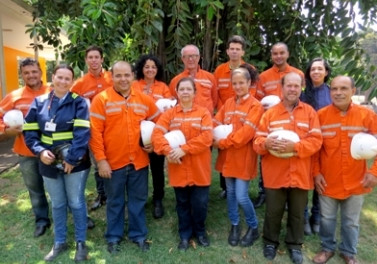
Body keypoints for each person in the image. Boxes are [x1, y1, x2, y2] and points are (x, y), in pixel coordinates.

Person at [90, 61, 160, 253]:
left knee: (138, 200)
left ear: (132, 76)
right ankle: (114, 237)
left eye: (126, 75)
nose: (123, 79)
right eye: (118, 75)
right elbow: (95, 133)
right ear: (111, 77)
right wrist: (101, 160)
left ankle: (138, 235)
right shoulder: (101, 99)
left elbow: (160, 121)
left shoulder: (143, 99)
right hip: (113, 163)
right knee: (115, 201)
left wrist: (153, 142)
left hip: (138, 161)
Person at [23, 64, 91, 262]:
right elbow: (30, 133)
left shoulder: (79, 103)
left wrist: (71, 159)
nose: (63, 81)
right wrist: (40, 151)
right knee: (58, 203)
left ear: (72, 81)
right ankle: (59, 242)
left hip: (75, 161)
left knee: (76, 202)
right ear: (53, 77)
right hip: (47, 161)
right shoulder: (39, 102)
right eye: (59, 77)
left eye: (67, 79)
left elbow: (82, 134)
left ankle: (81, 243)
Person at [253, 72, 322, 264]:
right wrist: (266, 144)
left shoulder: (309, 112)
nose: (292, 89)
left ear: (300, 87)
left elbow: (316, 141)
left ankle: (294, 245)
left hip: (300, 173)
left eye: (296, 86)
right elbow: (257, 141)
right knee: (273, 211)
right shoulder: (269, 114)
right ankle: (269, 242)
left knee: (298, 212)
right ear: (281, 88)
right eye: (288, 85)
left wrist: (296, 147)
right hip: (275, 173)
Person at [312, 76, 377, 264]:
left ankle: (349, 252)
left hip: (356, 180)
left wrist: (374, 173)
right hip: (328, 180)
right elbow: (316, 148)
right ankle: (327, 248)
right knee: (327, 218)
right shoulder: (321, 116)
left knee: (351, 221)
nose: (338, 92)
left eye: (343, 88)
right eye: (334, 89)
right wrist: (316, 173)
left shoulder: (367, 116)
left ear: (353, 91)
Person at [152, 77, 213, 251]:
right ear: (177, 93)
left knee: (200, 203)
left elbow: (207, 138)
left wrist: (185, 149)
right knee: (182, 202)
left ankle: (200, 232)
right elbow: (157, 134)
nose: (185, 92)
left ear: (194, 92)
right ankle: (184, 235)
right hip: (178, 166)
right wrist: (167, 150)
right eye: (182, 89)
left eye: (189, 89)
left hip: (199, 167)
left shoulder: (203, 113)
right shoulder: (169, 114)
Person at [213, 65, 264, 247]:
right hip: (228, 158)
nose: (238, 86)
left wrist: (222, 142)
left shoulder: (256, 106)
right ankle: (235, 225)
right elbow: (217, 121)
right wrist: (213, 131)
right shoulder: (228, 103)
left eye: (241, 82)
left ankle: (253, 226)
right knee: (231, 194)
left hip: (243, 157)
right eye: (235, 83)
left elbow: (246, 134)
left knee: (242, 196)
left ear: (249, 83)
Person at [0, 58, 51, 237]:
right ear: (22, 75)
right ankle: (42, 221)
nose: (31, 75)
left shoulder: (53, 92)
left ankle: (76, 216)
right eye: (26, 73)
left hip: (53, 151)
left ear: (41, 73)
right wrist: (6, 129)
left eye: (34, 72)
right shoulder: (14, 97)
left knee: (62, 188)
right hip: (26, 152)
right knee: (35, 189)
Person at [253, 42, 305, 208]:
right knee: (268, 154)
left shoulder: (297, 73)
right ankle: (264, 191)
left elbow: (300, 98)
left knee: (291, 154)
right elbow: (258, 100)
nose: (278, 56)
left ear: (287, 54)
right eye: (275, 53)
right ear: (271, 56)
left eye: (282, 53)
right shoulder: (264, 76)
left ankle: (291, 193)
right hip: (271, 120)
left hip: (293, 121)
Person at [71, 45, 113, 211]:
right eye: (91, 57)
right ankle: (102, 194)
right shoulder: (79, 84)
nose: (94, 60)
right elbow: (72, 105)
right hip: (93, 130)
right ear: (86, 60)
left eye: (97, 57)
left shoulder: (111, 78)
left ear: (102, 59)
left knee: (115, 161)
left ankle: (115, 193)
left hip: (113, 127)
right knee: (98, 163)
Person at [213, 35, 255, 199]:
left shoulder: (250, 69)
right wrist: (224, 113)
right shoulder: (219, 70)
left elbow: (253, 92)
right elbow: (216, 94)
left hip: (244, 117)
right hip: (226, 115)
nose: (235, 52)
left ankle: (240, 187)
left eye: (238, 49)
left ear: (242, 51)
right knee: (224, 154)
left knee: (240, 152)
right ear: (227, 51)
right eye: (232, 49)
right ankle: (226, 187)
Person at [132, 54, 172, 219]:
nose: (150, 70)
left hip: (157, 132)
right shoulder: (134, 86)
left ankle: (158, 199)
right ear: (142, 68)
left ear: (158, 70)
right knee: (138, 169)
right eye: (147, 66)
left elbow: (169, 111)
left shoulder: (163, 87)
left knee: (157, 168)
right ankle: (139, 199)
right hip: (136, 132)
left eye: (153, 67)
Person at [300, 58, 331, 236]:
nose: (316, 72)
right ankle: (304, 216)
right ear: (309, 73)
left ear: (326, 72)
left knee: (321, 181)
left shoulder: (331, 92)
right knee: (305, 179)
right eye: (313, 69)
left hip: (326, 143)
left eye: (320, 69)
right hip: (307, 141)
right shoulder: (303, 94)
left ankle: (316, 216)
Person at [169, 44, 217, 116]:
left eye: (193, 56)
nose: (190, 59)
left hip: (206, 120)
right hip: (183, 120)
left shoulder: (209, 77)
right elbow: (172, 103)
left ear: (198, 57)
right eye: (187, 56)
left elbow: (215, 100)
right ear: (182, 59)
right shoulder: (176, 81)